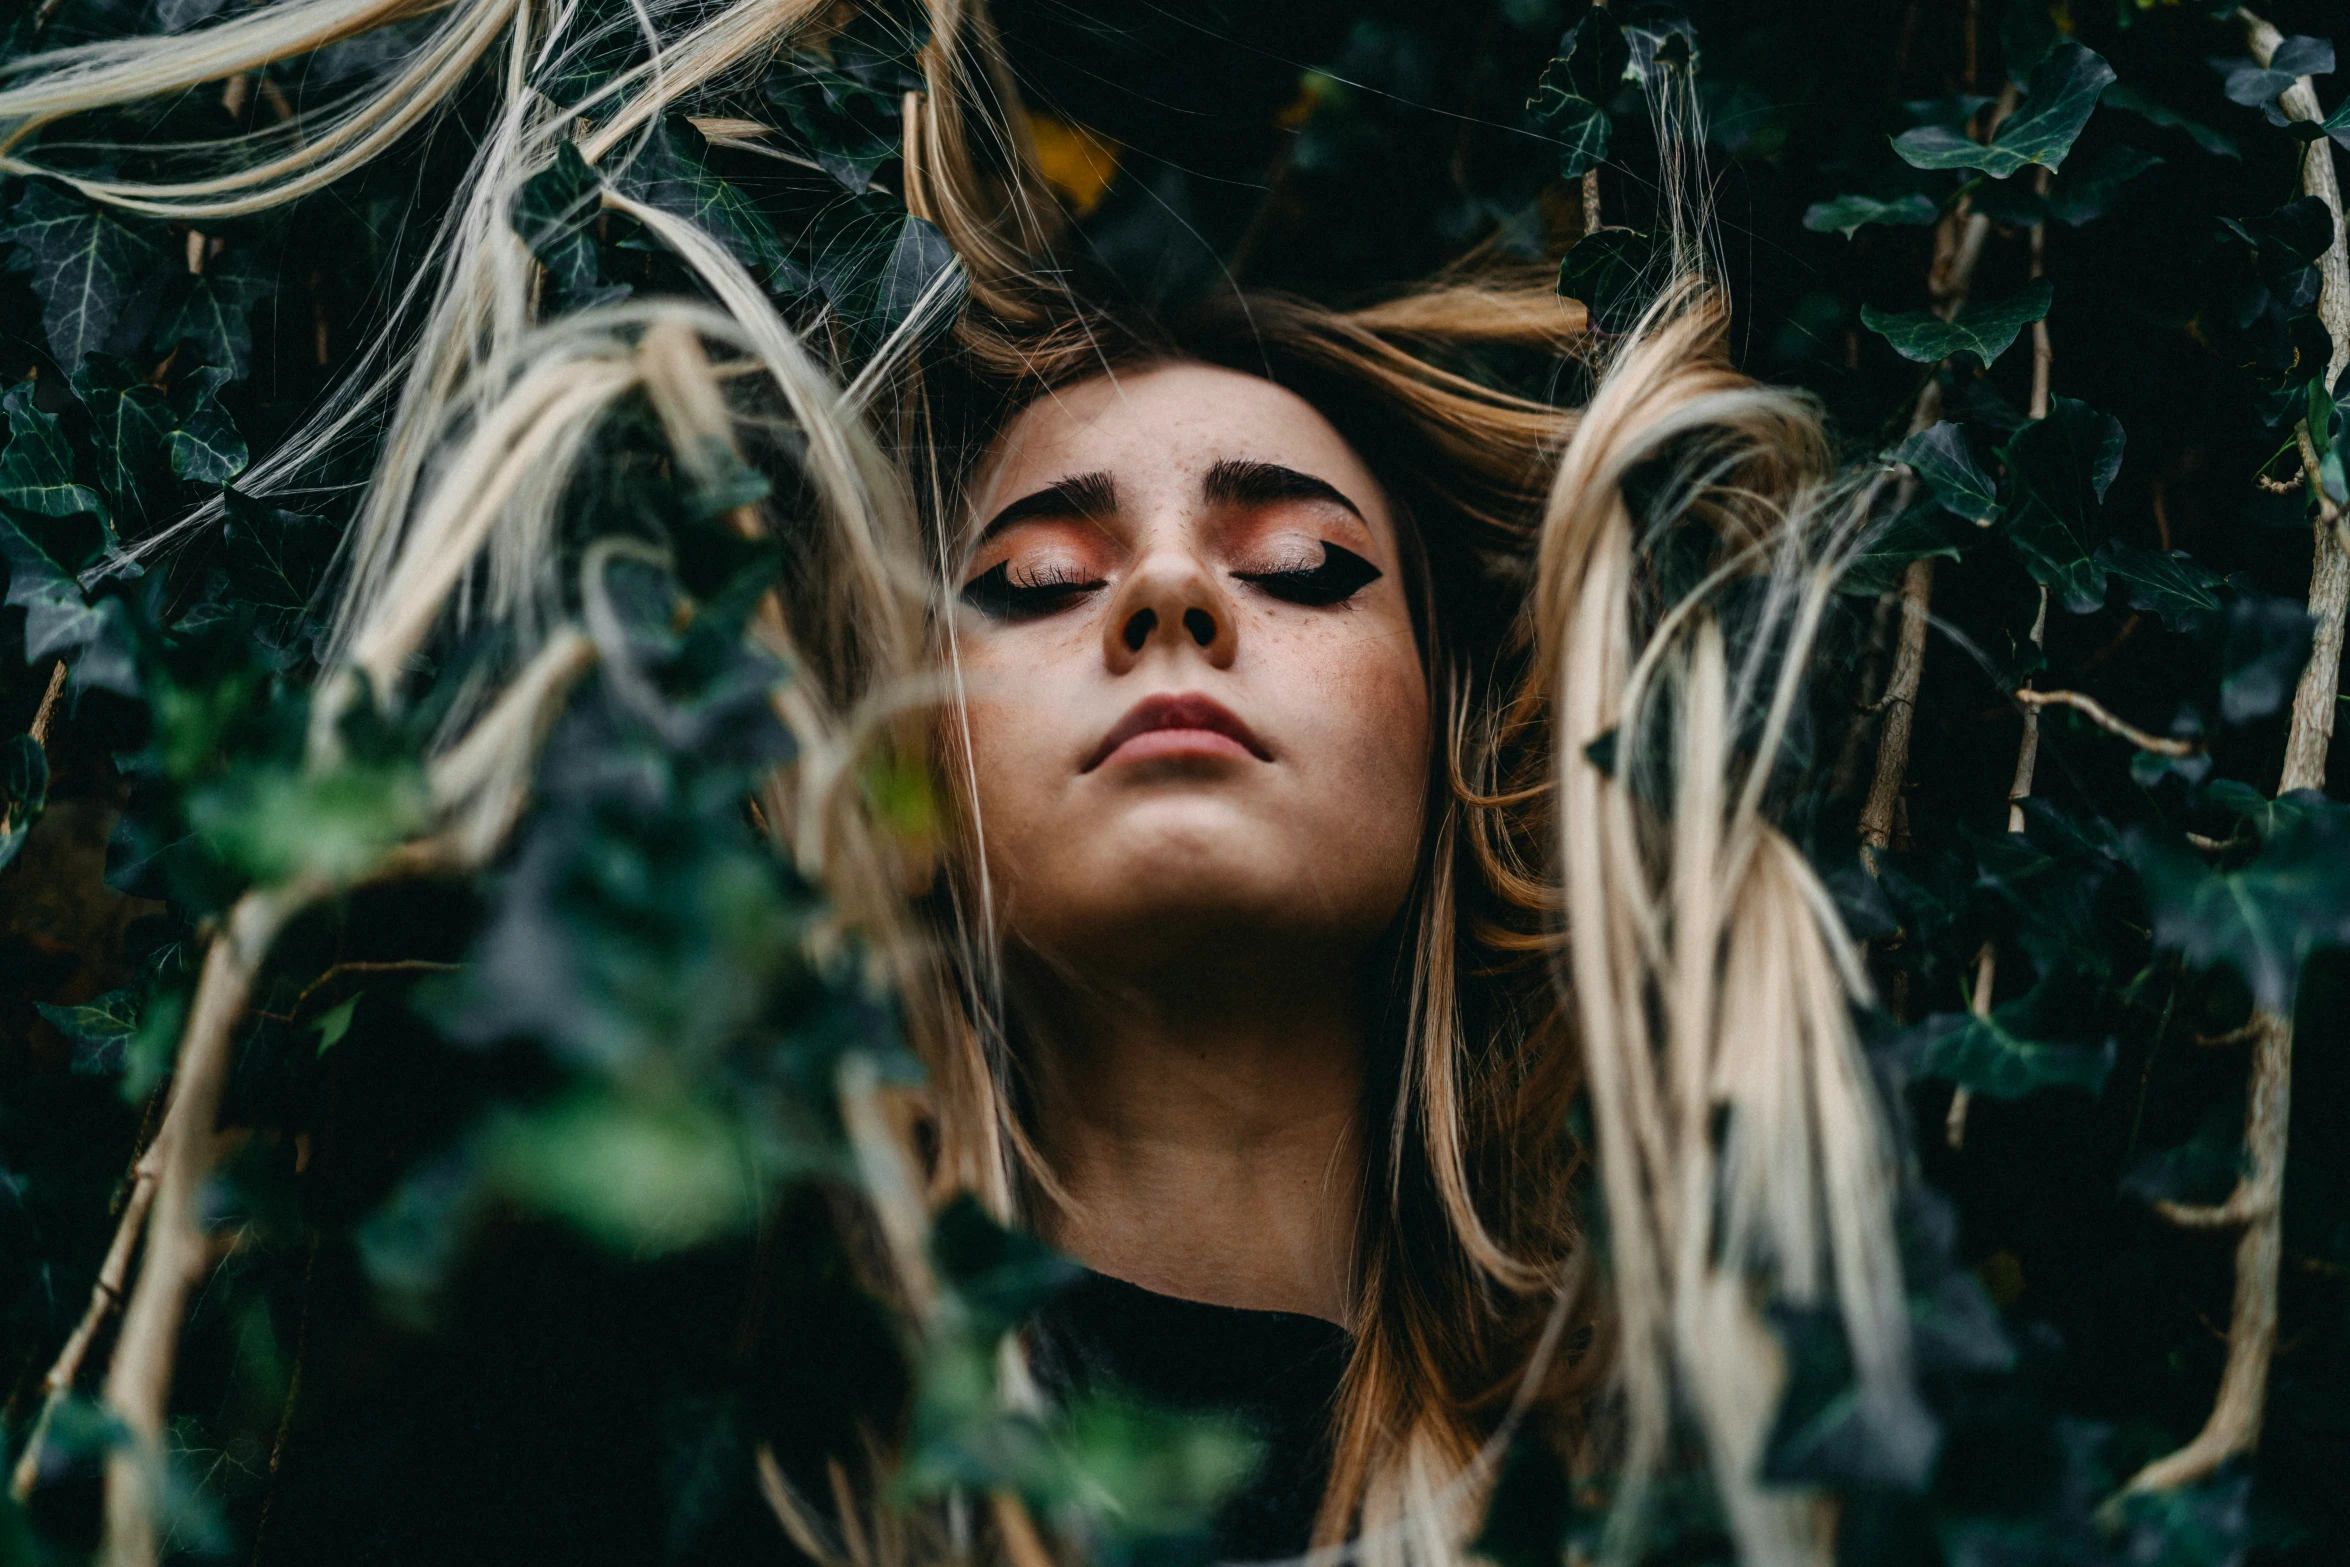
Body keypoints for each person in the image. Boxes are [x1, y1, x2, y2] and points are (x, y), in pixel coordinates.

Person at [0, 2, 1926, 1563]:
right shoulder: (638, 1379)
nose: (1170, 589)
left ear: (1460, 729)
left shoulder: (1702, 1468)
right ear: (910, 752)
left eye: (1300, 563)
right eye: (1034, 582)